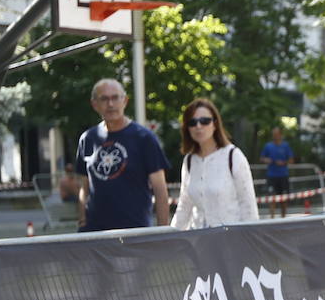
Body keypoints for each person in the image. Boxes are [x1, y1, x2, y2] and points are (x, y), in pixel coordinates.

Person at [76, 78, 170, 231]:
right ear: (94, 104)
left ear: (125, 101)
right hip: (94, 234)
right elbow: (84, 187)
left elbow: (160, 188)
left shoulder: (144, 138)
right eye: (104, 99)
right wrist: (81, 220)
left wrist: (162, 232)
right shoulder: (88, 139)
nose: (110, 104)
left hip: (135, 232)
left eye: (115, 98)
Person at [172, 98, 260, 229]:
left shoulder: (233, 156)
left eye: (205, 121)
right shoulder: (189, 161)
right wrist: (170, 238)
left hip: (230, 241)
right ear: (187, 128)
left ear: (215, 124)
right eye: (192, 122)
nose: (199, 126)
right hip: (198, 242)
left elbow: (248, 207)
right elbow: (184, 206)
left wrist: (249, 241)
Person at [260, 126, 296, 218]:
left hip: (283, 175)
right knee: (272, 197)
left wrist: (283, 163)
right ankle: (272, 218)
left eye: (276, 134)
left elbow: (291, 160)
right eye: (273, 134)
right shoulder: (268, 146)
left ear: (280, 135)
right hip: (271, 175)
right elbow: (262, 158)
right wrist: (268, 160)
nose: (275, 136)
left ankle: (283, 218)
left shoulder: (285, 146)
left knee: (283, 198)